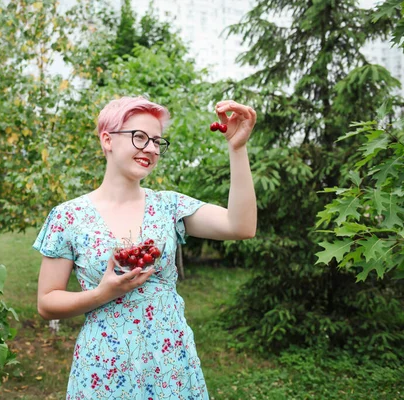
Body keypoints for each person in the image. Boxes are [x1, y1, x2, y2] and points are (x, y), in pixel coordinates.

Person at [33, 96, 257, 399]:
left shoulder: (169, 206)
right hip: (104, 368)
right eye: (139, 137)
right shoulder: (68, 217)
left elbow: (240, 226)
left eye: (156, 141)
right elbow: (47, 303)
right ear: (107, 139)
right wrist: (103, 293)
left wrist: (237, 149)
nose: (151, 148)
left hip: (169, 363)